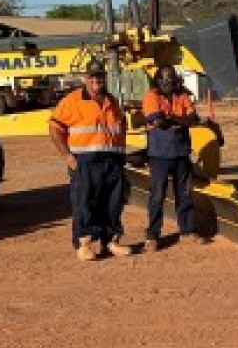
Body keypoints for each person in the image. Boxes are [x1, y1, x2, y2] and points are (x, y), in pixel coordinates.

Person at [48, 61, 131, 261]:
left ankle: (111, 241)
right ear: (85, 78)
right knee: (84, 203)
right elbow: (54, 128)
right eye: (92, 77)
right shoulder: (72, 101)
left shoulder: (112, 101)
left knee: (112, 202)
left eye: (99, 77)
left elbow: (120, 129)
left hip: (112, 161)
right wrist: (67, 156)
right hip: (85, 161)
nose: (96, 81)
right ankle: (84, 243)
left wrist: (122, 158)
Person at [141, 64, 206, 252]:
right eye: (164, 77)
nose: (167, 81)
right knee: (157, 196)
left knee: (184, 194)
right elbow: (158, 121)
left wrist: (171, 119)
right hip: (159, 155)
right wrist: (179, 119)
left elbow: (192, 118)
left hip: (181, 153)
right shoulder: (151, 96)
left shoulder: (182, 95)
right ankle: (153, 235)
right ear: (157, 79)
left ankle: (187, 231)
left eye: (170, 77)